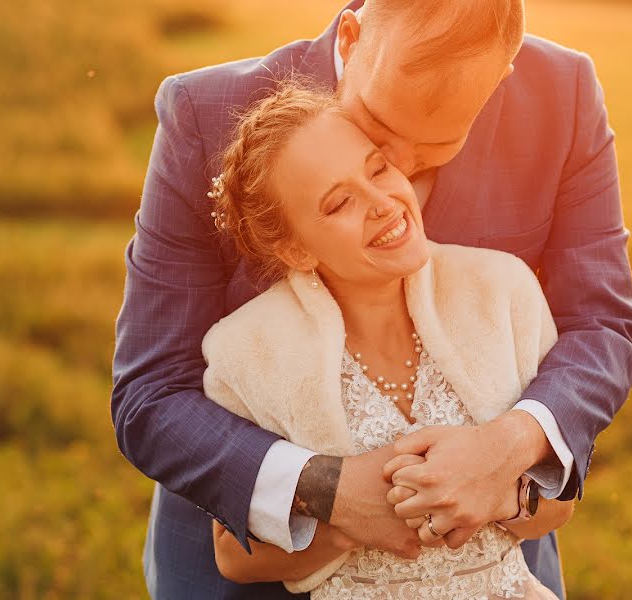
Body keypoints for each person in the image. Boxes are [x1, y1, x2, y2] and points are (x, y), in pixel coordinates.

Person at [111, 1, 632, 598]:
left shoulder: (563, 95)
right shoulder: (203, 115)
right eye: (379, 129)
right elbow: (151, 390)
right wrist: (324, 490)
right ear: (352, 32)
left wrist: (510, 449)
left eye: (440, 143)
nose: (400, 177)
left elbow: (601, 324)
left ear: (502, 77)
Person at [204, 79, 572, 599]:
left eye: (377, 168)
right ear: (295, 249)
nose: (383, 202)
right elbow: (233, 556)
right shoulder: (249, 351)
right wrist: (349, 520)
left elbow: (560, 503)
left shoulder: (503, 289)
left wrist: (489, 495)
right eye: (339, 203)